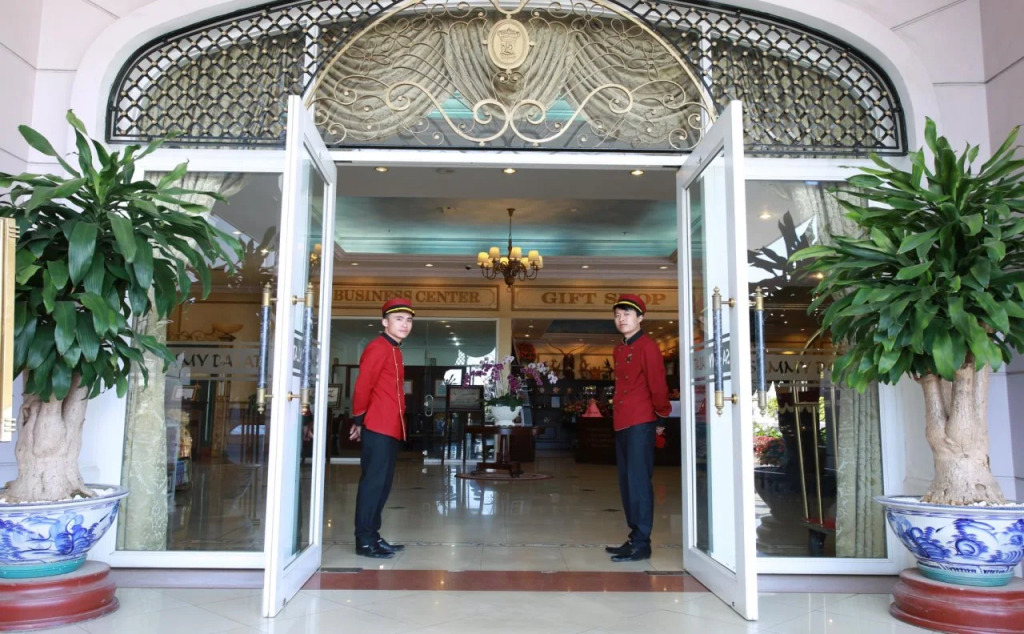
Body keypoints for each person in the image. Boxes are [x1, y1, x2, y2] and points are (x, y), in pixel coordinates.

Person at [606, 294, 671, 562]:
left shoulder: (648, 347)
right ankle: (635, 536)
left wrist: (662, 416)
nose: (621, 319)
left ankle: (642, 543)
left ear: (640, 318)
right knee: (626, 483)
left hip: (641, 421)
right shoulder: (619, 349)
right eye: (617, 315)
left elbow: (658, 385)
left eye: (627, 315)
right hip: (623, 421)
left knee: (639, 483)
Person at [349, 297, 414, 558]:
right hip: (378, 425)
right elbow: (363, 386)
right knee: (373, 485)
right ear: (384, 322)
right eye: (398, 319)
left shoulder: (394, 349)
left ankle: (373, 536)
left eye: (408, 320)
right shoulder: (378, 347)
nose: (405, 324)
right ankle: (364, 541)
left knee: (382, 485)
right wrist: (359, 420)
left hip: (389, 427)